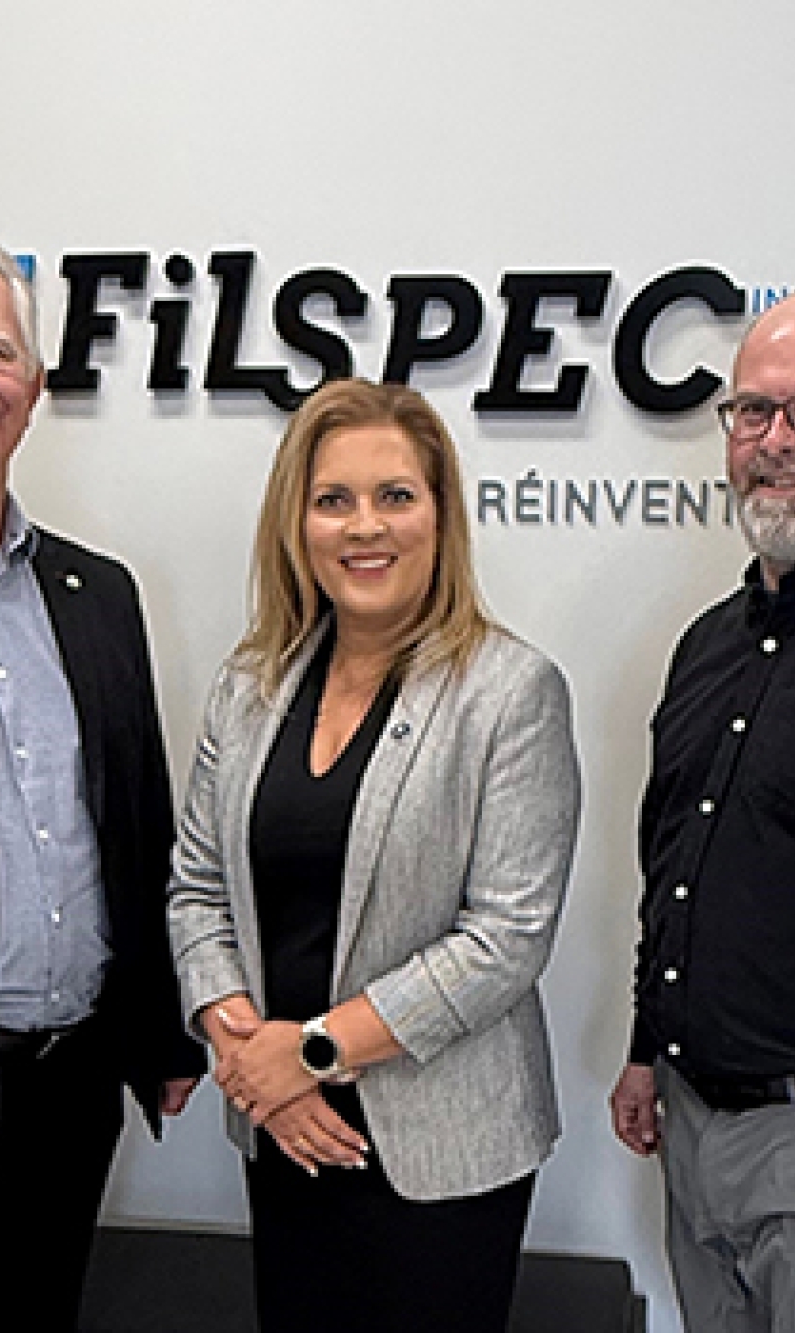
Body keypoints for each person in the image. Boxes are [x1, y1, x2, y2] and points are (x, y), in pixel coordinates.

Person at [168, 377, 580, 1333]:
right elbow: (196, 885)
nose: (367, 527)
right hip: (283, 1130)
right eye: (334, 499)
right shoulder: (250, 684)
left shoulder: (511, 691)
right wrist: (246, 1055)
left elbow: (506, 938)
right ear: (296, 523)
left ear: (440, 515)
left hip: (442, 1155)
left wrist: (310, 1050)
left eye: (396, 495)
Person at [0, 226, 204, 1333]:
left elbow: (134, 826)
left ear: (30, 390)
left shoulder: (95, 593)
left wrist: (161, 1032)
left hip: (70, 1102)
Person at [610, 287, 795, 1331]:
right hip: (692, 1125)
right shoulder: (706, 645)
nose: (776, 443)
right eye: (751, 413)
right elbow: (673, 863)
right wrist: (647, 1044)